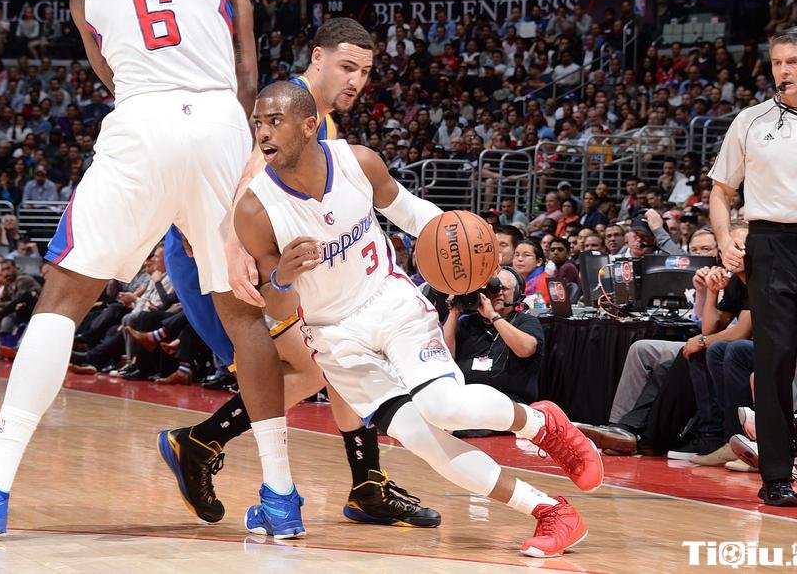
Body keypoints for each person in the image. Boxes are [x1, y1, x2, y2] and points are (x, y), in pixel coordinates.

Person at [0, 0, 286, 537]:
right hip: (221, 121)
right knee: (244, 311)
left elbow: (110, 75)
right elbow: (248, 63)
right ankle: (281, 499)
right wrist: (237, 152)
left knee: (61, 301)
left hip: (142, 119)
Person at [236, 81, 601, 557]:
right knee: (419, 439)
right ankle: (552, 510)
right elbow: (277, 309)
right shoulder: (255, 209)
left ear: (309, 126)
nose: (263, 133)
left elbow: (415, 216)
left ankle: (541, 424)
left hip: (391, 304)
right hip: (333, 336)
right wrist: (282, 277)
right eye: (258, 123)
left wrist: (462, 254)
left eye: (274, 121)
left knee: (444, 407)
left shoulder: (358, 162)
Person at [158, 18, 438, 532]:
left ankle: (360, 482)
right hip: (223, 257)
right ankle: (206, 446)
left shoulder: (318, 123)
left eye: (365, 72)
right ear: (317, 58)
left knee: (328, 362)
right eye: (347, 67)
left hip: (242, 252)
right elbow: (252, 177)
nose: (356, 81)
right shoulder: (292, 114)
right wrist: (232, 248)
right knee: (324, 363)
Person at [709, 26, 797, 508]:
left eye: (793, 62)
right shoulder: (750, 121)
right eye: (776, 62)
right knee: (772, 365)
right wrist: (725, 240)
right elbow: (721, 192)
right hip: (768, 246)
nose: (782, 71)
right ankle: (775, 477)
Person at [445, 267, 544, 406]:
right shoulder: (467, 322)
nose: (499, 292)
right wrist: (454, 312)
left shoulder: (526, 321)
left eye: (504, 288)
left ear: (516, 293)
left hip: (509, 403)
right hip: (466, 400)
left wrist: (493, 316)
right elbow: (445, 355)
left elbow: (526, 349)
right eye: (493, 288)